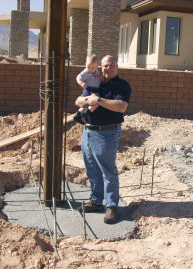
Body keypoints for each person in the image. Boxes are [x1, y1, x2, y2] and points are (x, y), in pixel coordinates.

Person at [75, 55, 131, 224]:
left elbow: (121, 106)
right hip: (88, 131)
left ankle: (112, 206)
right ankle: (96, 201)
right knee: (92, 169)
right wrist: (88, 100)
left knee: (108, 171)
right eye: (105, 66)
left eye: (111, 65)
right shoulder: (95, 80)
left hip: (106, 134)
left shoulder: (122, 85)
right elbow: (78, 101)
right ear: (100, 67)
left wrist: (98, 100)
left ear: (117, 67)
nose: (108, 68)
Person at [74, 54, 101, 124]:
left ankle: (79, 113)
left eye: (93, 68)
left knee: (93, 102)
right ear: (85, 65)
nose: (90, 69)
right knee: (97, 101)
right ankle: (86, 113)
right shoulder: (85, 72)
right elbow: (78, 77)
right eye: (88, 67)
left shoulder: (96, 71)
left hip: (95, 89)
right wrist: (81, 83)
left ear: (97, 66)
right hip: (89, 89)